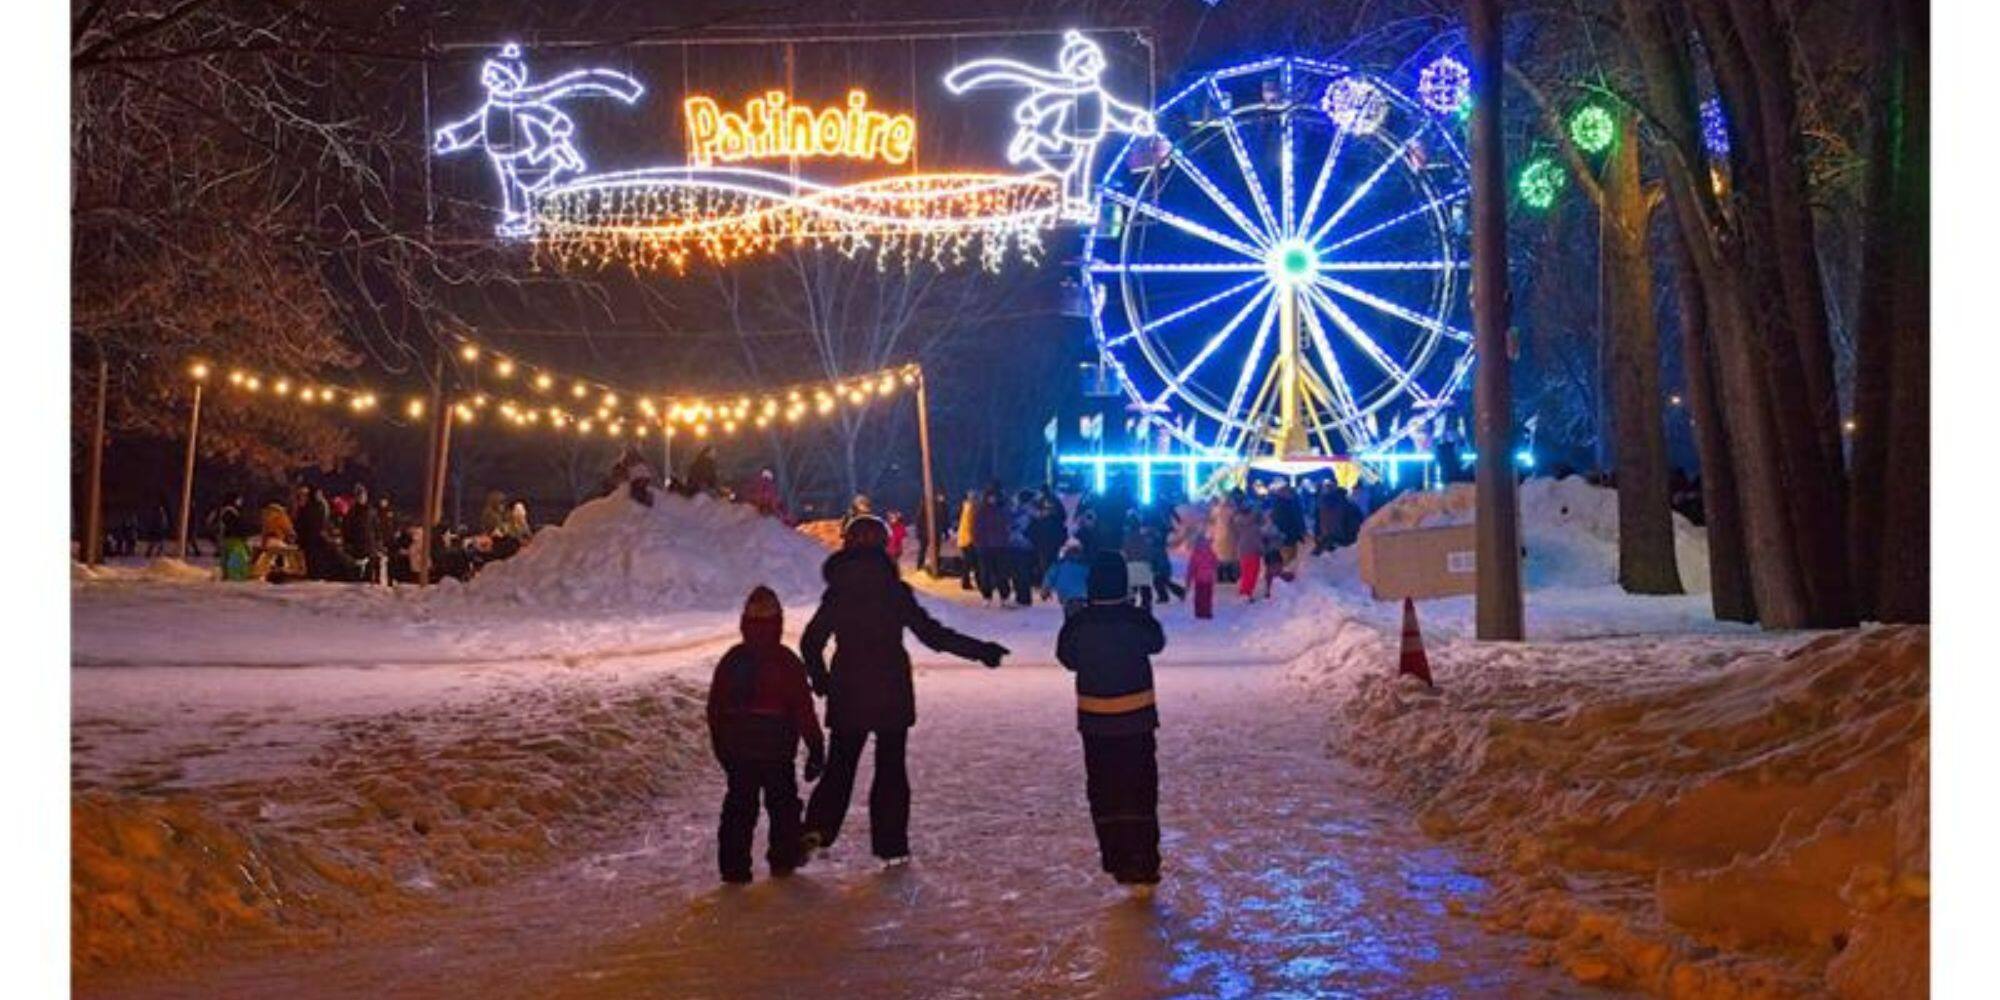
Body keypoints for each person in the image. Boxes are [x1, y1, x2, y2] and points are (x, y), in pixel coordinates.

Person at [800, 516, 1008, 867]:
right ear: (884, 547)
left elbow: (811, 642)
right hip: (890, 689)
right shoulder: (893, 592)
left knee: (841, 765)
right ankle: (891, 844)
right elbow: (933, 635)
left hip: (848, 688)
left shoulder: (838, 593)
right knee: (891, 768)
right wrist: (981, 651)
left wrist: (822, 681)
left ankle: (818, 829)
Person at [1056, 552, 1166, 892]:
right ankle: (1144, 860)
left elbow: (1067, 657)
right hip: (1137, 717)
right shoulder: (1136, 620)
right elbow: (1156, 642)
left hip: (1096, 720)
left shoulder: (1078, 623)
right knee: (1140, 788)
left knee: (1105, 789)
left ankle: (1116, 857)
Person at [707, 586, 826, 884]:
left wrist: (722, 746)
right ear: (779, 623)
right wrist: (815, 747)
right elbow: (803, 709)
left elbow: (716, 708)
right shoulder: (786, 662)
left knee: (739, 808)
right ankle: (783, 860)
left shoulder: (732, 661)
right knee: (783, 805)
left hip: (739, 748)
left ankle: (734, 869)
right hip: (776, 748)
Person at [972, 489, 1013, 605]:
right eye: (990, 497)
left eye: (994, 497)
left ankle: (1004, 596)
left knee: (1001, 573)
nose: (992, 499)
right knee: (985, 573)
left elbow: (1006, 526)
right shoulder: (981, 512)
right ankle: (987, 596)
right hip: (985, 547)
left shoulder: (1000, 511)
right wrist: (978, 543)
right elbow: (976, 529)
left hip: (999, 546)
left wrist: (1005, 540)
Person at [1043, 539, 1092, 617]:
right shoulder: (1085, 566)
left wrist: (1046, 589)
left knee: (1072, 617)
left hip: (1069, 597)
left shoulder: (1059, 565)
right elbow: (1091, 579)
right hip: (1080, 596)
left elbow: (1050, 577)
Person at [1231, 499, 1264, 602]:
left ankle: (1245, 592)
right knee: (1252, 573)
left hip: (1244, 549)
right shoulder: (1252, 524)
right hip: (1252, 550)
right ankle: (1246, 593)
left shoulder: (1238, 522)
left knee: (1247, 572)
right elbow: (1257, 538)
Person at [1120, 513, 1155, 610]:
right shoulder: (1144, 538)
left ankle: (1130, 611)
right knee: (1145, 591)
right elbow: (1149, 552)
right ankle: (1146, 610)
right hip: (1144, 566)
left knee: (1131, 592)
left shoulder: (1125, 538)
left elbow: (1124, 552)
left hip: (1131, 566)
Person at [1186, 531, 1219, 620]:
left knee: (1199, 597)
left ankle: (1199, 612)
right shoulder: (1210, 552)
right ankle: (1207, 612)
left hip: (1199, 579)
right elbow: (1215, 563)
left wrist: (1188, 581)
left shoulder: (1195, 554)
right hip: (1209, 578)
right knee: (1207, 596)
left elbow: (1191, 568)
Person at [955, 490, 980, 591]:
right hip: (969, 539)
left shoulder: (966, 507)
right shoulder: (971, 508)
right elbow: (971, 525)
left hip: (964, 539)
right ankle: (972, 582)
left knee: (968, 562)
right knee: (973, 562)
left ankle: (966, 582)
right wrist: (974, 538)